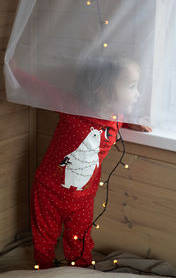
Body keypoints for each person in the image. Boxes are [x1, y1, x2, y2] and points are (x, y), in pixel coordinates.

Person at [9, 57, 152, 269]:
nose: (138, 93)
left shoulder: (117, 118)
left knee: (81, 242)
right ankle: (44, 271)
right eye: (131, 86)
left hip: (83, 198)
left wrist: (132, 123)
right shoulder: (73, 107)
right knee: (44, 241)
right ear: (104, 91)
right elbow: (42, 89)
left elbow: (122, 118)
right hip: (49, 190)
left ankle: (82, 272)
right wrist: (12, 70)